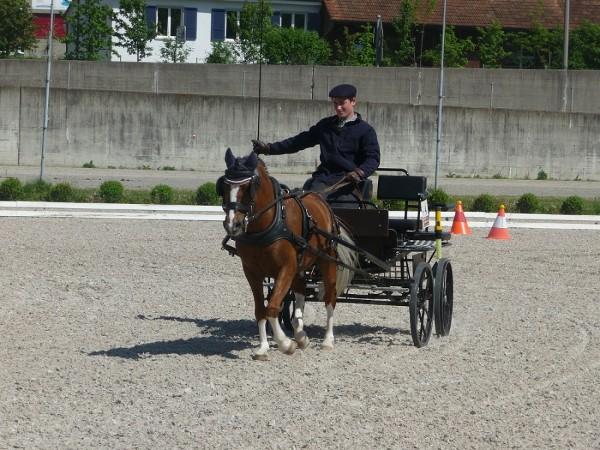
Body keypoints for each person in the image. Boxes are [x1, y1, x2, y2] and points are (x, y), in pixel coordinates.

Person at [252, 83, 380, 207]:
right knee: (302, 207)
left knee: (342, 209)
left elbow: (373, 158)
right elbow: (298, 142)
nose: (338, 108)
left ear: (353, 101)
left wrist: (359, 172)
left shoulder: (366, 130)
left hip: (347, 184)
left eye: (342, 103)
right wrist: (269, 148)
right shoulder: (325, 126)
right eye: (335, 103)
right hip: (321, 180)